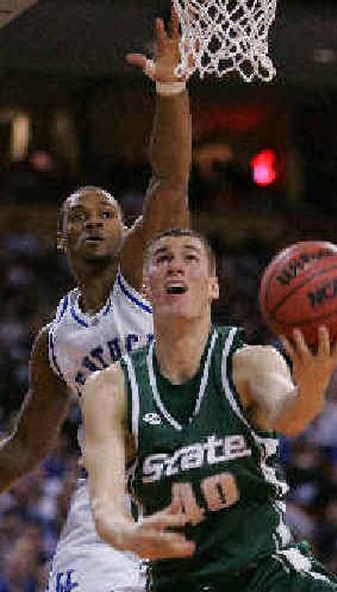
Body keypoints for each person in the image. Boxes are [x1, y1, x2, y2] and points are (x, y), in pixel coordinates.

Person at [0, 8, 192, 592]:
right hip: (104, 506)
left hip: (189, 484)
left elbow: (170, 180)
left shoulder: (141, 273)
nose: (93, 222)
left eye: (106, 213)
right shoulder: (55, 341)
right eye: (77, 217)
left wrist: (169, 86)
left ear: (124, 227)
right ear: (61, 239)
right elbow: (27, 446)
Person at [82, 227, 337, 592]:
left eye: (190, 258)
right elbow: (105, 506)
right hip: (178, 581)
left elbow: (291, 417)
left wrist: (313, 382)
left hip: (266, 573)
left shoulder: (251, 363)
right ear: (145, 288)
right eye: (163, 258)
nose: (175, 267)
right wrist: (129, 534)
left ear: (213, 286)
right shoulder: (109, 389)